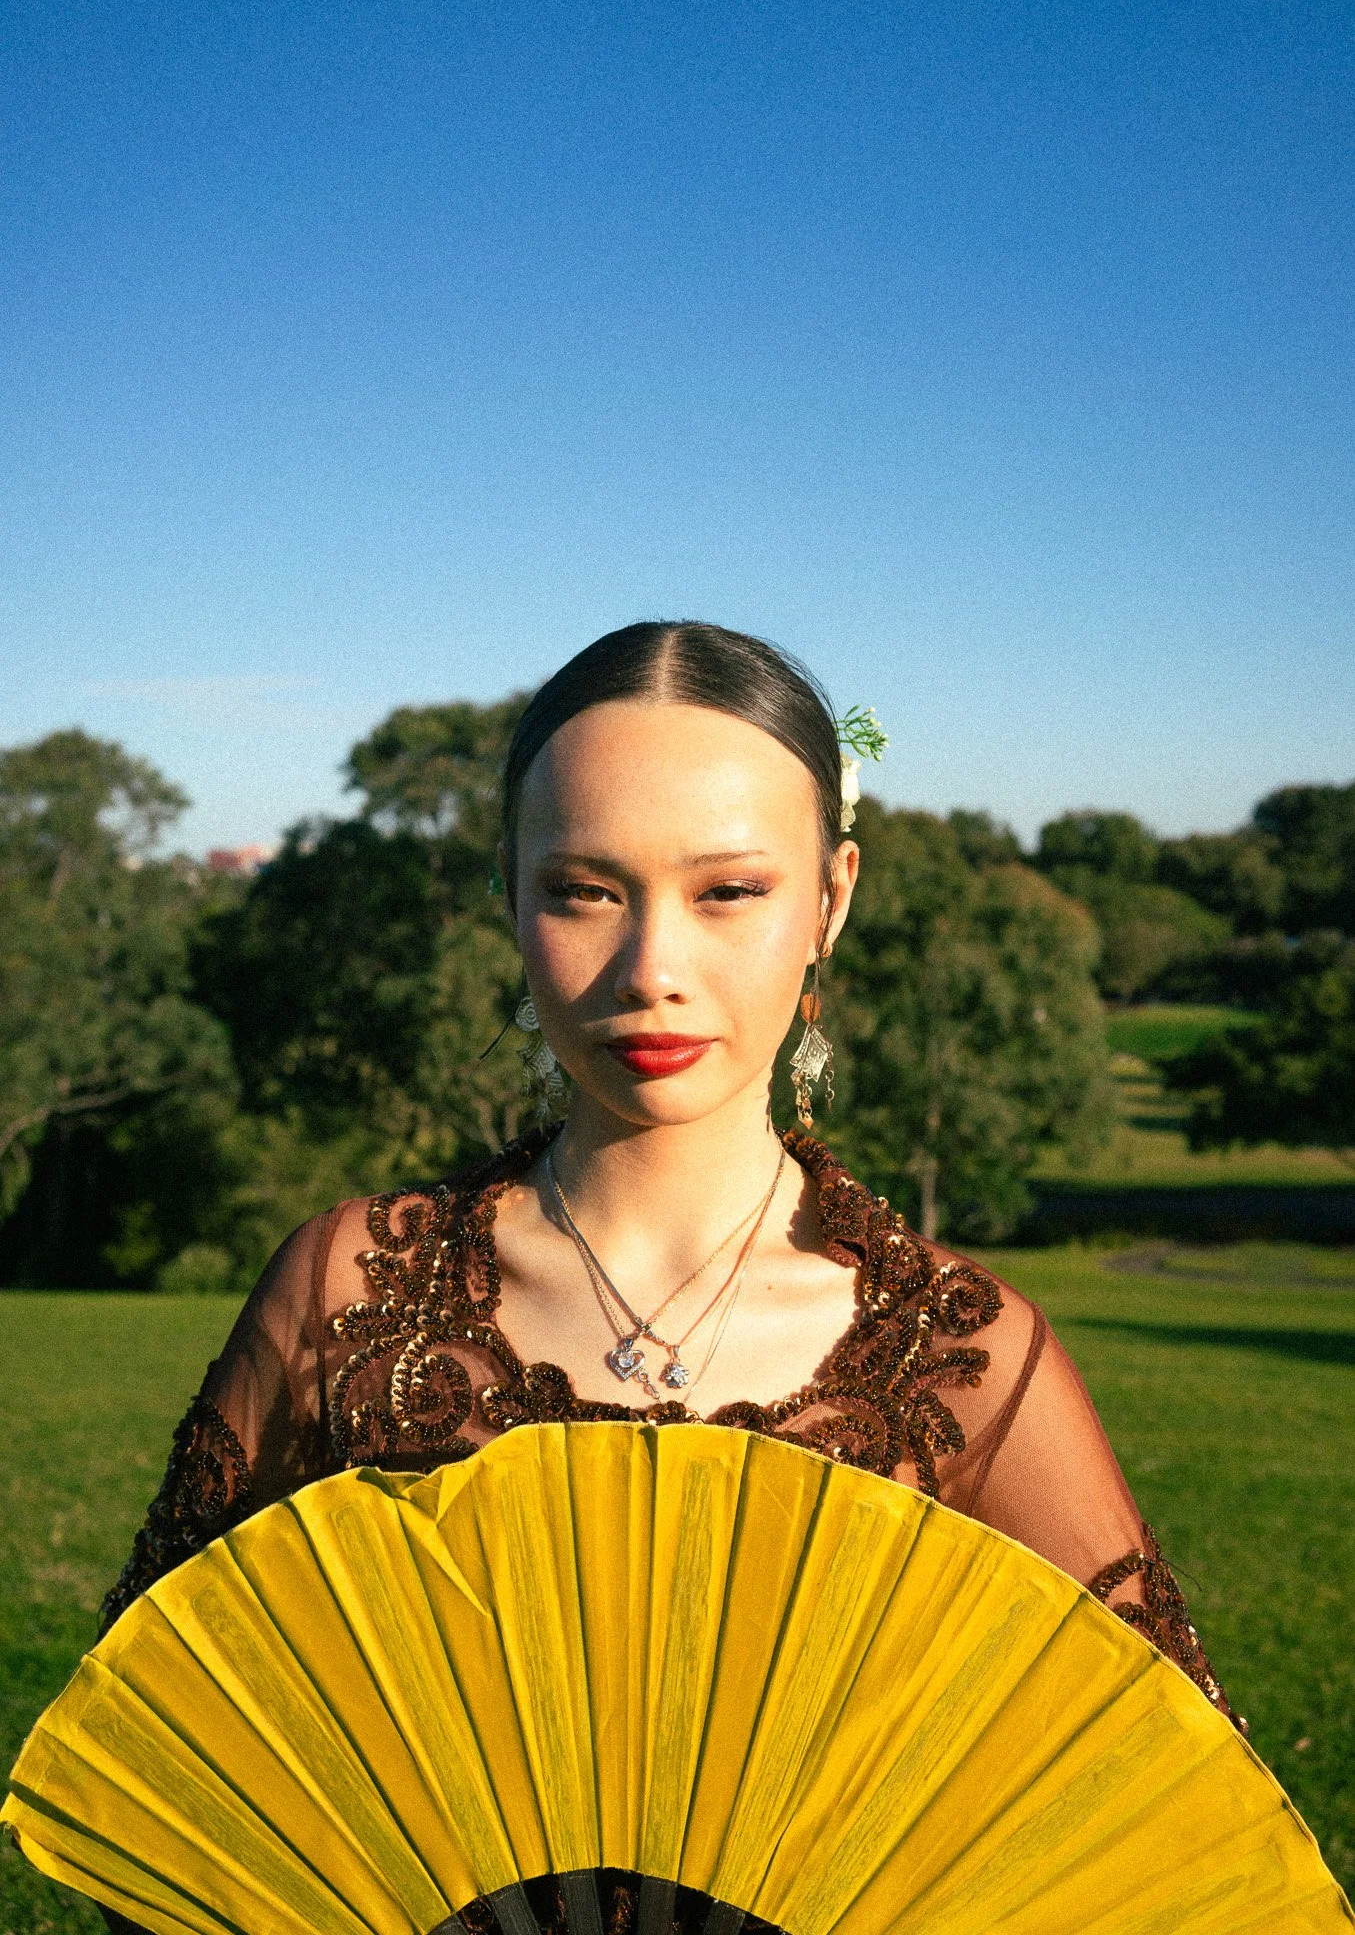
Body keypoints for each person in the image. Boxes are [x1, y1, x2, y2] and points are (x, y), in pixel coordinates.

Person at [95, 621, 1237, 1933]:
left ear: (830, 899)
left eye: (728, 892)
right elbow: (165, 1767)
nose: (652, 972)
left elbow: (1161, 1830)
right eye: (582, 890)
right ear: (507, 898)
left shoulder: (960, 1359)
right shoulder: (348, 1291)